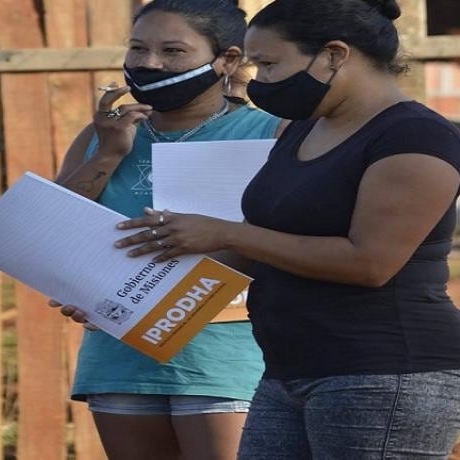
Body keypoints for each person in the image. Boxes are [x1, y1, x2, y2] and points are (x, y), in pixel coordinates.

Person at [110, 0, 460, 457]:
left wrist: (228, 232)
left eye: (269, 65)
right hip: (288, 371)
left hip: (386, 373)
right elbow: (258, 247)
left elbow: (370, 262)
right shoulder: (303, 131)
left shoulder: (415, 138)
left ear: (334, 55)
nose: (259, 81)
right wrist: (117, 298)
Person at [48, 1, 285, 459]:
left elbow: (285, 242)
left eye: (173, 50)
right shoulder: (102, 135)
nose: (149, 63)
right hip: (120, 357)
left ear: (228, 60)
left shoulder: (271, 133)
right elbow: (54, 228)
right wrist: (108, 154)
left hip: (226, 355)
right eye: (138, 48)